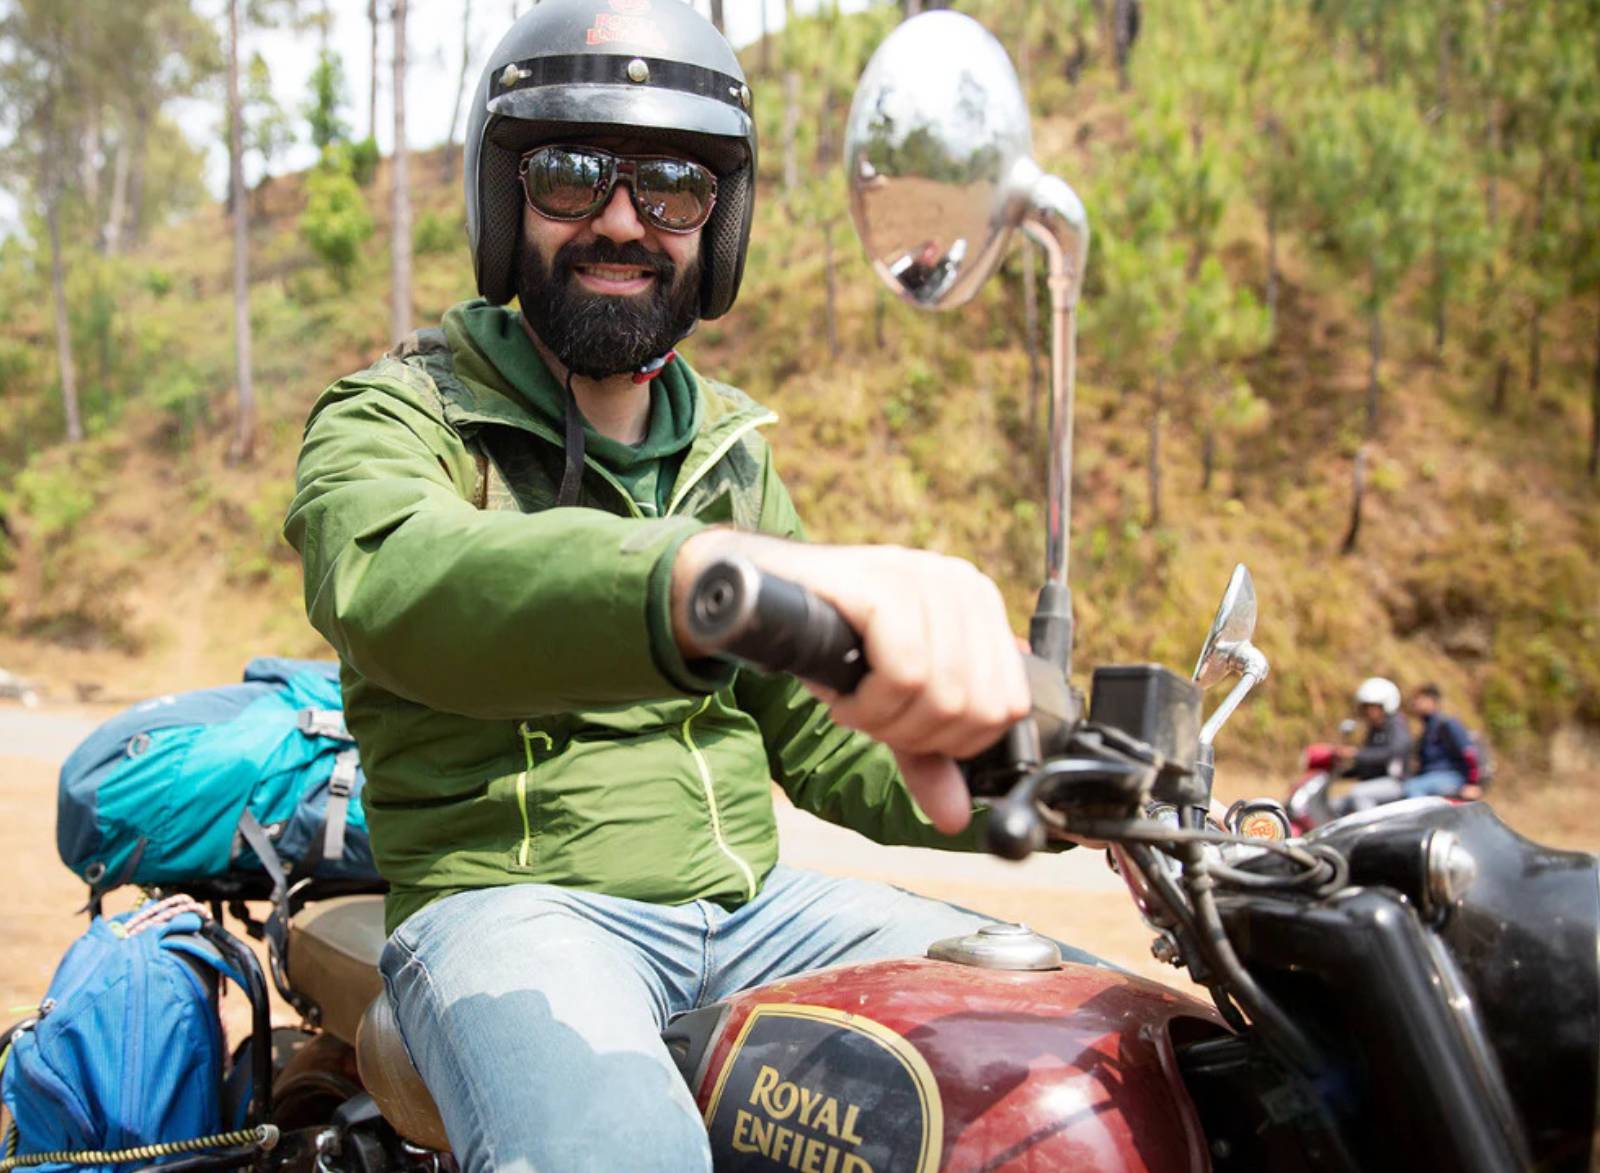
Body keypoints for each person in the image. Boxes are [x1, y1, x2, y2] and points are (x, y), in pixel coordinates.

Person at [283, 2, 1095, 1168]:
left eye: (672, 186)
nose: (622, 221)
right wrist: (699, 576)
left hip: (754, 911)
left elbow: (819, 735)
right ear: (502, 197)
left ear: (721, 223)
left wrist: (1045, 777)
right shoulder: (399, 414)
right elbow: (403, 584)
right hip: (511, 909)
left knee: (1093, 1045)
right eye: (570, 176)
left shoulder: (727, 449)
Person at [1332, 676, 1413, 815]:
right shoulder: (1375, 729)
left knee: (1359, 793)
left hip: (1395, 783)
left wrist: (1356, 754)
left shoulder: (1396, 726)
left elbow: (1392, 752)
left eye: (1371, 707)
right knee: (1335, 804)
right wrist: (1340, 773)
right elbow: (1368, 762)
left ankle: (1373, 835)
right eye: (1365, 707)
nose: (1367, 712)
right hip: (1375, 783)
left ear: (1385, 705)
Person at [1402, 683, 1484, 801]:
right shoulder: (1427, 728)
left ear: (1431, 700)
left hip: (1452, 776)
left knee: (1412, 788)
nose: (1414, 703)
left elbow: (1469, 753)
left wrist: (1473, 783)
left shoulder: (1447, 724)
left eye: (1419, 699)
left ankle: (1424, 819)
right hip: (1433, 776)